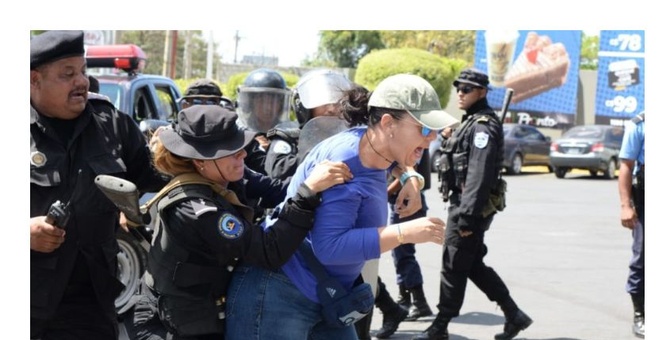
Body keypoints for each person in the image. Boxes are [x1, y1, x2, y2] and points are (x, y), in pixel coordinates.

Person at [225, 73, 455, 340]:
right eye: (424, 129)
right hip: (279, 294)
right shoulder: (344, 163)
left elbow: (390, 157)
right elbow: (330, 247)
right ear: (388, 123)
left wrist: (410, 177)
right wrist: (405, 233)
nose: (431, 139)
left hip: (326, 294)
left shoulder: (372, 145)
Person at [141, 104, 352, 339]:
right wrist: (308, 192)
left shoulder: (225, 175)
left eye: (240, 146)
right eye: (231, 151)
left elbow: (280, 190)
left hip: (206, 309)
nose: (242, 154)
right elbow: (268, 249)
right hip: (178, 325)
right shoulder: (194, 208)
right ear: (200, 161)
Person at [30, 30, 168, 340]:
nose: (81, 81)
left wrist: (187, 153)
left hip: (93, 301)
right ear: (34, 79)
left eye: (82, 71)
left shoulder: (111, 123)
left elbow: (155, 177)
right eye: (68, 74)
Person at [415, 69, 532, 340]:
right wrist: (448, 137)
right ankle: (514, 315)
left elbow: (478, 175)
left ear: (482, 92)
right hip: (464, 205)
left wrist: (467, 218)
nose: (460, 93)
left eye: (466, 89)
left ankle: (440, 325)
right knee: (472, 264)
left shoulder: (482, 126)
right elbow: (463, 155)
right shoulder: (471, 122)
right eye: (459, 88)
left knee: (454, 264)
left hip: (468, 208)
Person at [264, 68, 354, 180]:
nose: (331, 109)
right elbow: (277, 171)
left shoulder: (352, 136)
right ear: (303, 107)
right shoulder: (288, 136)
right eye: (323, 103)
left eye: (336, 103)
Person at [618, 111, 645, 338]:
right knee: (642, 256)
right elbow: (626, 165)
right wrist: (626, 205)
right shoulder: (640, 124)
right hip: (647, 196)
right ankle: (641, 314)